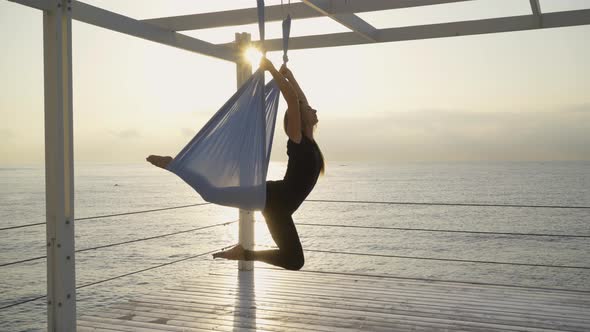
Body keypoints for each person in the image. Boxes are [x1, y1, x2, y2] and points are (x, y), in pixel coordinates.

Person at [147, 57, 324, 270]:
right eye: (310, 110)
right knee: (211, 193)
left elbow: (299, 101)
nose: (314, 110)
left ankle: (243, 253)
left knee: (294, 260)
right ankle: (174, 165)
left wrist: (291, 76)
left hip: (281, 205)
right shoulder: (297, 139)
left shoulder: (310, 140)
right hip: (272, 201)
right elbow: (294, 101)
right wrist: (271, 70)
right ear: (300, 119)